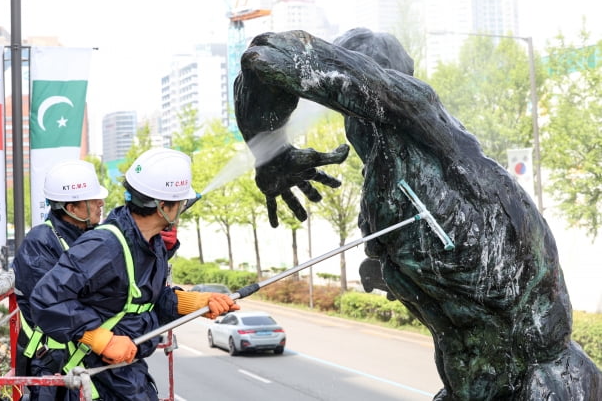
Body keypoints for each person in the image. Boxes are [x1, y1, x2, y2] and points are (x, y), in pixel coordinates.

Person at [234, 29, 601, 399]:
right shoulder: (386, 178)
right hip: (470, 387)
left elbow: (267, 56)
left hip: (545, 383)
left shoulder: (421, 117)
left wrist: (272, 151)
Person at [29, 148, 240, 400]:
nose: (183, 208)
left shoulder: (150, 243)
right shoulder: (104, 246)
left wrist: (194, 302)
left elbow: (142, 301)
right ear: (163, 207)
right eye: (181, 203)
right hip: (93, 375)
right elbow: (46, 298)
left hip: (124, 372)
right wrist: (98, 338)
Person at [13, 159, 108, 401]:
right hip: (50, 363)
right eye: (93, 200)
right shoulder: (41, 242)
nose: (101, 204)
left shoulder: (92, 236)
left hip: (81, 355)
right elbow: (51, 306)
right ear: (71, 208)